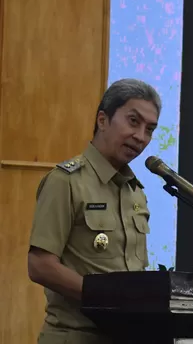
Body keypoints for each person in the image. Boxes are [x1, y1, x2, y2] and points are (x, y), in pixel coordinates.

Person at [28, 78, 161, 344]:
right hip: (75, 336)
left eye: (150, 129)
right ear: (102, 120)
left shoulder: (135, 191)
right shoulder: (66, 181)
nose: (141, 137)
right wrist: (108, 300)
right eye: (133, 121)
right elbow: (40, 265)